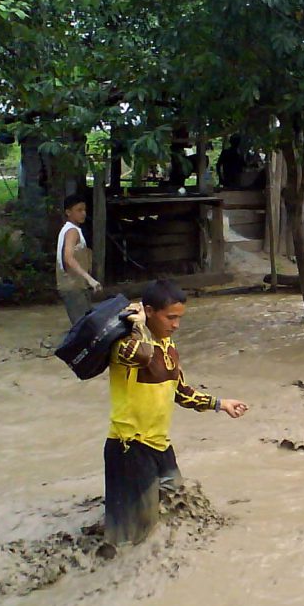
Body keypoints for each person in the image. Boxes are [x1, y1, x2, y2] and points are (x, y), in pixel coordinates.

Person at [105, 279, 249, 545]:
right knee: (136, 530)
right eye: (170, 318)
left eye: (179, 318)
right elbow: (141, 356)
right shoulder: (123, 344)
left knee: (175, 499)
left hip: (159, 444)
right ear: (149, 311)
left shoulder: (168, 346)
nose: (176, 325)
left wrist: (220, 403)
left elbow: (180, 391)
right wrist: (136, 325)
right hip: (129, 446)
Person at [56, 193, 102, 325]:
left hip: (76, 286)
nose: (83, 213)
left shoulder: (71, 230)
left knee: (86, 323)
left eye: (84, 210)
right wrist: (89, 278)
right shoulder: (72, 231)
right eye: (79, 210)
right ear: (68, 212)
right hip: (73, 286)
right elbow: (68, 258)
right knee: (82, 326)